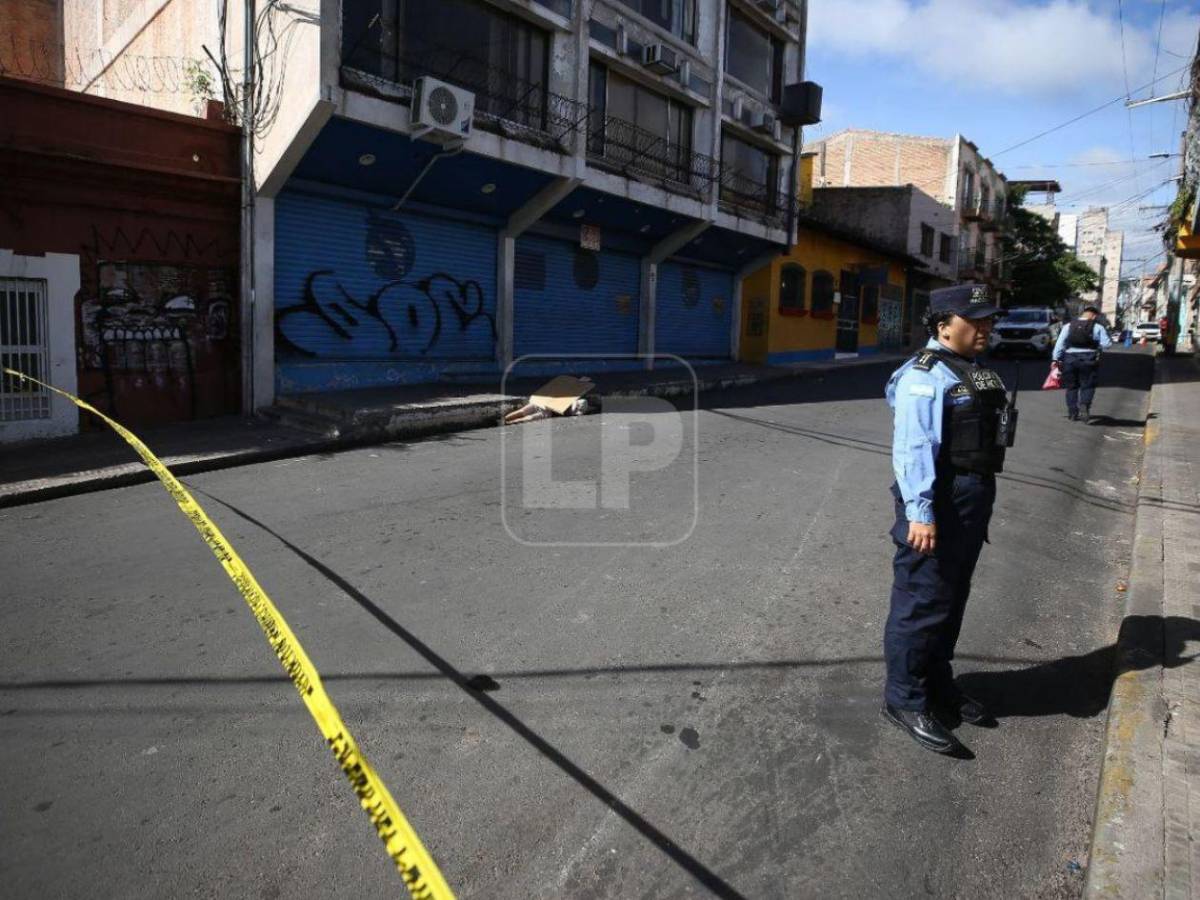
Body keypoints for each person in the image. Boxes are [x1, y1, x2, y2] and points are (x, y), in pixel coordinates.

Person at [882, 283, 1011, 756]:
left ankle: (938, 685)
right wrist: (920, 512)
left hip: (971, 498)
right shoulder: (924, 375)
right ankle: (904, 699)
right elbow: (914, 448)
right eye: (974, 320)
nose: (986, 328)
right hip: (937, 500)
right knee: (921, 601)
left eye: (988, 320)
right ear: (943, 326)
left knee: (951, 598)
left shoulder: (970, 371)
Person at [1052, 305, 1112, 423]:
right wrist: (1098, 345)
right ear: (1094, 316)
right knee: (1088, 385)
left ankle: (1072, 412)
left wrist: (1056, 360)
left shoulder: (1068, 326)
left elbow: (1059, 344)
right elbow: (1107, 344)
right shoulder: (1098, 327)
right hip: (1088, 359)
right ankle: (1084, 405)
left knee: (1071, 387)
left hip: (1070, 359)